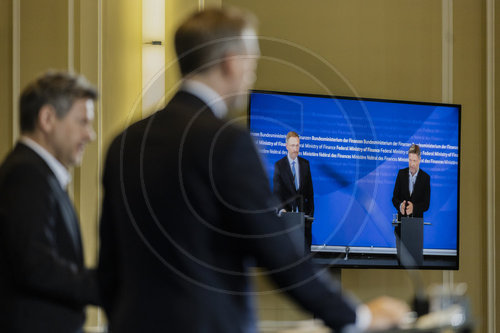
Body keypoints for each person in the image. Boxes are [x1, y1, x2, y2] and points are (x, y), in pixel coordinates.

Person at [98, 7, 408, 333]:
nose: (253, 73)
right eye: (253, 60)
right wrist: (358, 317)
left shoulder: (124, 142)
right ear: (231, 61)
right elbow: (279, 253)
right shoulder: (227, 143)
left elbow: (108, 269)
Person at [0, 71, 100, 332]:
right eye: (83, 122)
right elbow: (36, 265)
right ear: (47, 119)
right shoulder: (26, 175)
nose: (91, 135)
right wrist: (104, 285)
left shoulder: (37, 173)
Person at [273, 131, 314, 249]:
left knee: (304, 258)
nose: (295, 149)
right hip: (287, 223)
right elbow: (276, 194)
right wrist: (282, 212)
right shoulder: (279, 166)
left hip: (304, 223)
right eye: (292, 145)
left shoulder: (305, 164)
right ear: (286, 146)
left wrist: (310, 217)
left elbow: (310, 194)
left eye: (297, 145)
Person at [392, 144, 431, 263]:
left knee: (415, 263)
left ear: (419, 160)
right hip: (401, 227)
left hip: (416, 228)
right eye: (409, 160)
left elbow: (426, 204)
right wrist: (400, 206)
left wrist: (414, 208)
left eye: (414, 160)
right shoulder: (401, 174)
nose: (412, 164)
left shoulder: (425, 178)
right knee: (401, 262)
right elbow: (394, 198)